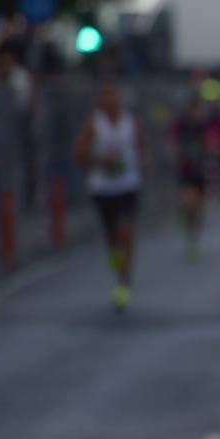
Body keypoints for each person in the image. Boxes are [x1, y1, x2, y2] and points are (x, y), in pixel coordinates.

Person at [74, 83, 146, 310]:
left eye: (113, 97)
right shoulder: (94, 124)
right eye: (105, 98)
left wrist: (143, 162)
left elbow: (142, 146)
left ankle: (124, 282)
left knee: (126, 232)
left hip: (128, 185)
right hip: (103, 188)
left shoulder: (130, 122)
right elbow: (79, 153)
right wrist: (99, 160)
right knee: (111, 237)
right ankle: (118, 265)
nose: (110, 102)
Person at [170, 93, 220, 261]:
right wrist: (177, 151)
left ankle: (194, 238)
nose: (198, 113)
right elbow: (171, 142)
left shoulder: (207, 125)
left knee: (199, 208)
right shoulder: (182, 125)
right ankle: (185, 217)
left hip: (202, 170)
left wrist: (213, 146)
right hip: (186, 170)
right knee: (189, 201)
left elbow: (218, 143)